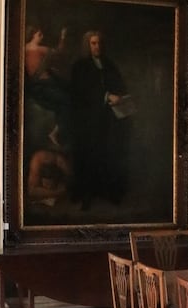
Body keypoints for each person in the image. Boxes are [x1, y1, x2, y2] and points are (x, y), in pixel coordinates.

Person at [69, 30, 131, 210]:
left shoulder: (109, 64)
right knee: (90, 157)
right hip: (88, 121)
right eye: (93, 43)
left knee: (109, 155)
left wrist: (120, 96)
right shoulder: (80, 66)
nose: (97, 47)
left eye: (99, 43)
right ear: (87, 45)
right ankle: (87, 195)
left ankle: (108, 192)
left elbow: (119, 84)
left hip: (109, 120)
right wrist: (106, 96)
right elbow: (81, 92)